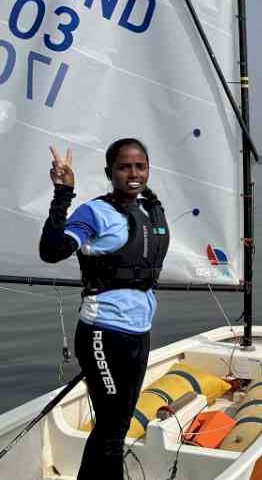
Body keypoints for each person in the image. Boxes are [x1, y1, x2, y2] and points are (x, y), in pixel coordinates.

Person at [39, 139, 169, 480]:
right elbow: (52, 251)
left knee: (117, 425)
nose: (133, 173)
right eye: (124, 167)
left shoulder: (150, 210)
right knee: (111, 429)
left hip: (138, 333)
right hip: (102, 334)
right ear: (110, 172)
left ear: (148, 170)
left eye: (140, 166)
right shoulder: (94, 213)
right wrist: (63, 193)